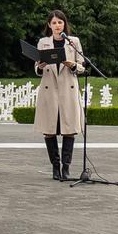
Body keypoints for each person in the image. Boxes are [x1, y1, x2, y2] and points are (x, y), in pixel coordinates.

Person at [33, 10, 84, 180]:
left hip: (67, 89)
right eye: (54, 23)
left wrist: (73, 65)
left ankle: (66, 167)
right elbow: (36, 67)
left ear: (64, 24)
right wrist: (40, 66)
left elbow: (82, 66)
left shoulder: (73, 41)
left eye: (60, 22)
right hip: (49, 90)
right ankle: (55, 167)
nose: (57, 26)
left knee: (69, 130)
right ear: (49, 25)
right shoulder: (43, 42)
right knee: (49, 130)